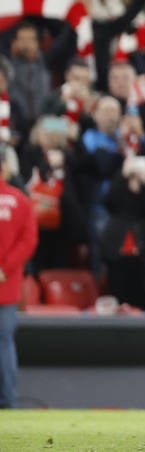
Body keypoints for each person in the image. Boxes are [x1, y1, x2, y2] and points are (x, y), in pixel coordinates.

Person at [0, 145, 37, 409]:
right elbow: (28, 241)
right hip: (7, 283)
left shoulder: (21, 200)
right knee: (4, 344)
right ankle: (8, 400)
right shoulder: (20, 200)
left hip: (7, 283)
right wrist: (5, 267)